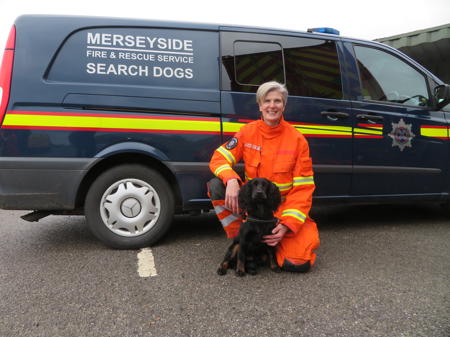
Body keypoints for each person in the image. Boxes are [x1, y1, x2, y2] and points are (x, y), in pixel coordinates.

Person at [208, 81, 320, 272]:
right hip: (251, 213)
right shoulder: (247, 132)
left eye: (277, 101)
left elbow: (303, 189)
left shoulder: (297, 140)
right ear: (260, 105)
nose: (272, 105)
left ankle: (270, 244)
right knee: (216, 185)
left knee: (296, 263)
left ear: (283, 106)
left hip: (282, 211)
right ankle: (240, 237)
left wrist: (286, 225)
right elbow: (218, 159)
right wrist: (232, 179)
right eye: (267, 101)